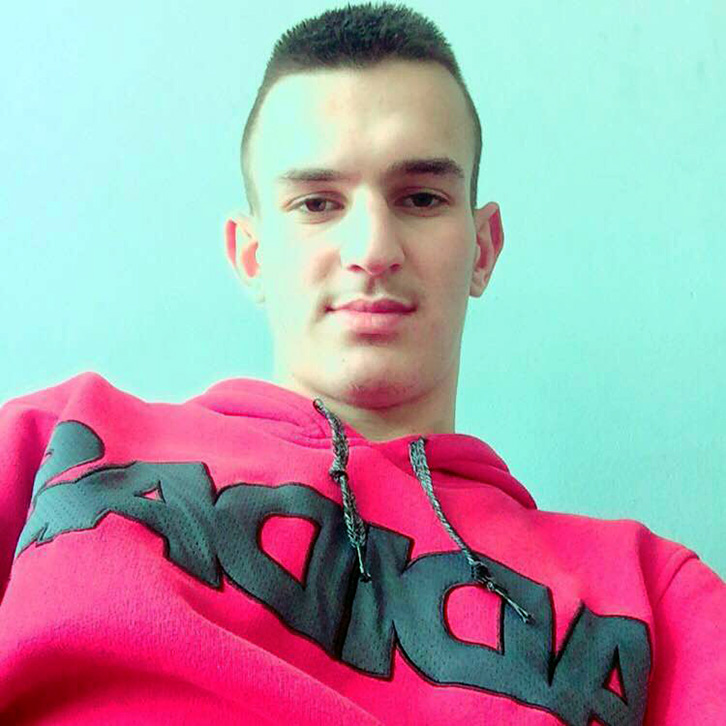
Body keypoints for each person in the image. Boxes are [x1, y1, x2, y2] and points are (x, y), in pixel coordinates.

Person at [0, 2, 723, 724]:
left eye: (421, 198)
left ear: (483, 248)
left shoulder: (655, 596)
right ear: (251, 254)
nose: (373, 249)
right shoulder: (59, 436)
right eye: (318, 203)